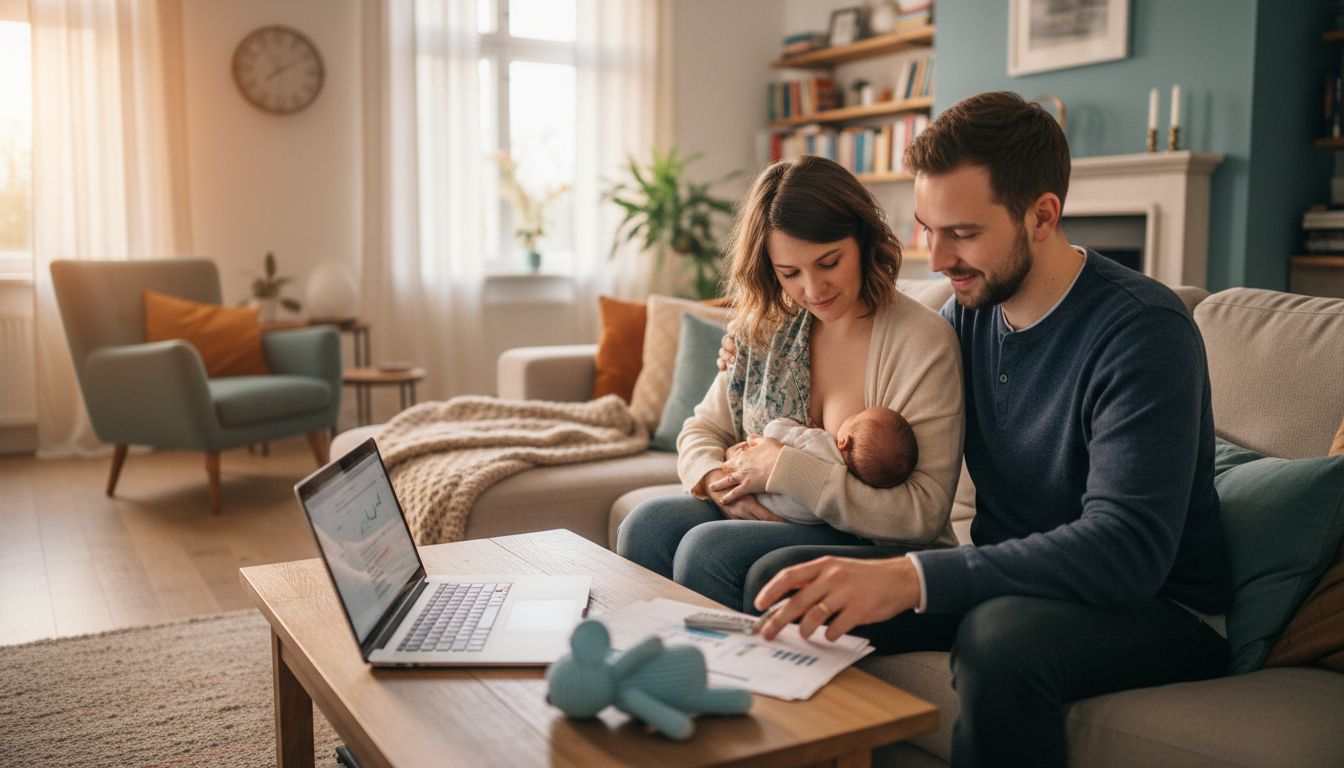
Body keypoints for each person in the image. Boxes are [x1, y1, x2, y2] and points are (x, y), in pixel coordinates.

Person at [740, 92, 1231, 767]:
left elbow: (1127, 551)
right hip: (1014, 578)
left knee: (998, 638)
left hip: (1160, 607)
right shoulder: (966, 316)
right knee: (788, 581)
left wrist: (914, 578)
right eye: (927, 229)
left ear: (1042, 216)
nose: (937, 259)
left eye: (962, 234)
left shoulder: (1142, 332)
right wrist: (759, 364)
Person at [616, 154, 965, 615]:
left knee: (710, 551)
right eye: (790, 273)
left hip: (875, 539)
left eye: (829, 262)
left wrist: (783, 468)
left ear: (863, 239)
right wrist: (714, 477)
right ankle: (657, 669)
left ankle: (736, 683)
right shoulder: (769, 327)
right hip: (779, 517)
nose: (813, 289)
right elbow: (700, 430)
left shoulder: (921, 340)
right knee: (647, 525)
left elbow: (920, 514)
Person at [729, 407, 920, 524]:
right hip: (787, 518)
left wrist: (792, 424)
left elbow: (775, 429)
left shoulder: (820, 440)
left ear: (844, 441)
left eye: (855, 417)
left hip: (753, 495)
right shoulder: (845, 483)